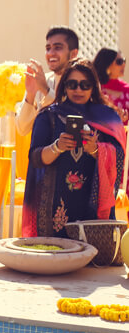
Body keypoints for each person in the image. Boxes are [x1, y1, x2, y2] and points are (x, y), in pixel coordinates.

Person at [22, 59, 126, 237]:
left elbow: (118, 157)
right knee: (55, 250)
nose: (78, 90)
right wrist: (57, 147)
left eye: (85, 85)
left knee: (91, 251)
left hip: (92, 205)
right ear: (64, 86)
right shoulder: (48, 116)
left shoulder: (107, 117)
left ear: (93, 87)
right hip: (54, 207)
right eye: (72, 84)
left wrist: (96, 150)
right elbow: (35, 158)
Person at [16, 26, 79, 136]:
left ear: (73, 54)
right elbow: (22, 130)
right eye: (48, 48)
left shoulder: (83, 83)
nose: (51, 53)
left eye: (58, 48)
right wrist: (30, 95)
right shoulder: (42, 81)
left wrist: (46, 91)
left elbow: (72, 117)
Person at [93, 48, 129, 124]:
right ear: (107, 64)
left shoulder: (127, 89)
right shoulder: (94, 89)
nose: (123, 64)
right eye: (119, 62)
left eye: (124, 61)